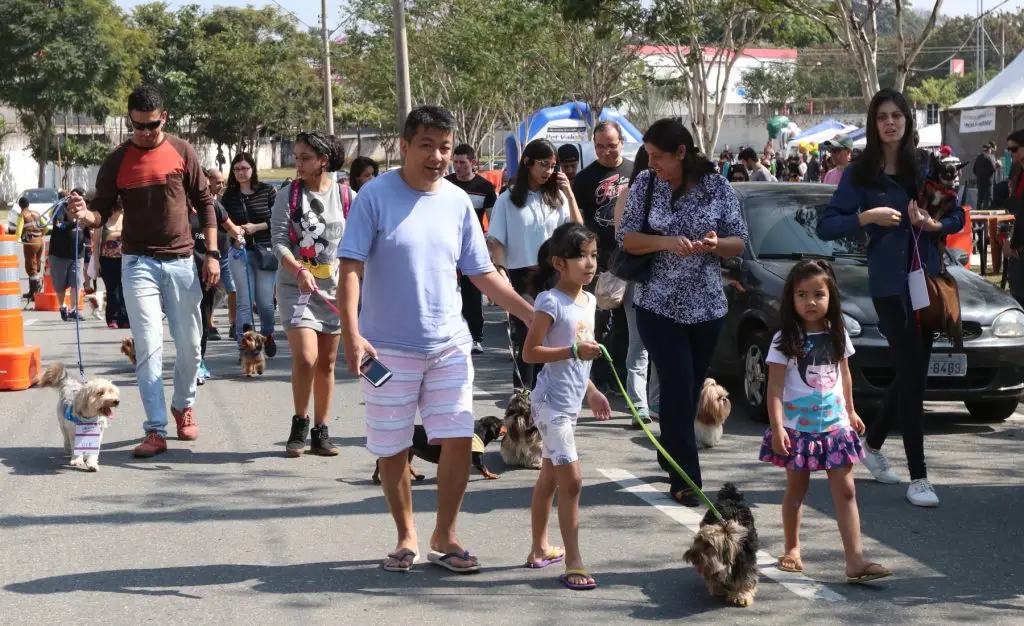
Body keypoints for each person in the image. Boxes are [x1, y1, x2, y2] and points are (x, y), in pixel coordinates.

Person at [338, 105, 534, 574]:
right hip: (386, 350)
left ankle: (445, 534)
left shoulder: (457, 202)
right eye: (426, 146)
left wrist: (533, 315)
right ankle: (405, 534)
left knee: (458, 439)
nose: (437, 156)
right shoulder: (374, 197)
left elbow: (481, 272)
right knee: (393, 446)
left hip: (448, 345)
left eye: (444, 147)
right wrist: (352, 334)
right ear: (404, 146)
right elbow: (350, 269)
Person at [817, 88, 964, 507]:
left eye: (896, 115)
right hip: (888, 285)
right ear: (873, 123)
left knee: (911, 371)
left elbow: (957, 214)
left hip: (927, 284)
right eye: (882, 116)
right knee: (914, 374)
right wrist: (867, 216)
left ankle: (873, 443)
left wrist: (934, 224)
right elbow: (827, 225)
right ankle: (919, 477)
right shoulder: (860, 173)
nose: (890, 123)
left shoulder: (925, 166)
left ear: (907, 120)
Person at [67, 84, 220, 458]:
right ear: (129, 121)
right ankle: (155, 429)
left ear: (163, 117)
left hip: (182, 260)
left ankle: (183, 405)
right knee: (148, 346)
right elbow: (102, 210)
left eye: (152, 125)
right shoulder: (117, 160)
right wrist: (85, 215)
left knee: (190, 346)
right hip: (138, 263)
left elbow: (205, 202)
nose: (146, 132)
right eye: (138, 126)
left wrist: (213, 254)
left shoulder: (182, 151)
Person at [617, 117, 747, 506]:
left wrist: (715, 244)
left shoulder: (717, 186)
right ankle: (686, 477)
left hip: (707, 308)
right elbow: (626, 238)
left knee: (689, 389)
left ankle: (670, 450)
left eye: (658, 156)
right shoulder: (645, 183)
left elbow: (739, 241)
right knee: (675, 384)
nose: (652, 163)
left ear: (681, 152)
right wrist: (666, 242)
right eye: (648, 155)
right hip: (656, 305)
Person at [760, 259, 892, 584]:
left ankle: (855, 560)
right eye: (802, 295)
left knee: (846, 491)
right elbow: (774, 387)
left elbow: (844, 375)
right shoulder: (783, 339)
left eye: (818, 294)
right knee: (796, 491)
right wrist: (777, 427)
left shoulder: (837, 334)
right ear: (791, 298)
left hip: (835, 428)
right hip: (797, 431)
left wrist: (851, 411)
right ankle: (792, 549)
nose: (810, 302)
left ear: (831, 296)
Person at [521, 222, 612, 590]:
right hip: (550, 405)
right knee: (571, 482)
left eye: (594, 255)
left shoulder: (590, 302)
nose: (590, 264)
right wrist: (573, 350)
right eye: (581, 257)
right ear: (559, 263)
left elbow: (580, 358)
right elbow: (531, 352)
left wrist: (591, 391)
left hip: (571, 404)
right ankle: (574, 561)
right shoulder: (550, 301)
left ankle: (539, 548)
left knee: (549, 477)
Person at [272, 131, 351, 457]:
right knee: (306, 357)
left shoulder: (346, 196)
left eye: (305, 157)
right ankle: (300, 422)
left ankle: (321, 430)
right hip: (296, 287)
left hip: (333, 289)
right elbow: (278, 242)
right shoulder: (288, 195)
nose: (298, 163)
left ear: (323, 160)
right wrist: (298, 270)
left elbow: (357, 243)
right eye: (297, 157)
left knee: (327, 363)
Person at [488, 138, 583, 389]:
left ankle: (550, 392)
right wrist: (500, 270)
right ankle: (524, 395)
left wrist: (570, 194)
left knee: (555, 336)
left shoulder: (557, 197)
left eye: (553, 166)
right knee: (527, 336)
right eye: (544, 164)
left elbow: (578, 233)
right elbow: (496, 241)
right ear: (528, 163)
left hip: (554, 275)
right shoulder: (507, 199)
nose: (548, 171)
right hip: (521, 276)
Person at [572, 121, 633, 394]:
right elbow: (577, 220)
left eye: (611, 145)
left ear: (622, 143)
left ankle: (618, 373)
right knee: (595, 319)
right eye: (600, 146)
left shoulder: (636, 173)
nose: (606, 151)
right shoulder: (585, 178)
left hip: (629, 257)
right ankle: (596, 374)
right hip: (597, 259)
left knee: (624, 322)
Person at [221, 152, 279, 358]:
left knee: (265, 303)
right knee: (244, 302)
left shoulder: (267, 191)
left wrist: (256, 227)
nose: (241, 173)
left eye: (245, 168)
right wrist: (235, 234)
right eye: (237, 169)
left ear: (252, 169)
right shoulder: (229, 195)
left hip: (265, 252)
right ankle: (245, 347)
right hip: (240, 251)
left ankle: (267, 334)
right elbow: (222, 221)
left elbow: (278, 220)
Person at [446, 143, 498, 354]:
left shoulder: (485, 187)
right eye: (455, 162)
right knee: (447, 291)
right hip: (447, 246)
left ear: (473, 163)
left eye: (462, 163)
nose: (458, 167)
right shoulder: (445, 184)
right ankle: (449, 336)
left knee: (472, 294)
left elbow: (493, 222)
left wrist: (491, 249)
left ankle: (475, 337)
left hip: (472, 247)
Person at [192, 190, 238, 384]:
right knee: (186, 322)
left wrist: (240, 238)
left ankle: (198, 362)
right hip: (181, 270)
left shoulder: (213, 205)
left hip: (208, 271)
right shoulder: (176, 204)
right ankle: (188, 361)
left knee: (202, 321)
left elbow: (232, 229)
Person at [204, 167, 237, 341]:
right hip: (208, 255)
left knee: (232, 289)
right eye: (218, 182)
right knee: (211, 291)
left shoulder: (224, 201)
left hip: (226, 253)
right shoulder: (201, 203)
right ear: (208, 181)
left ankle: (234, 324)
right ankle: (209, 325)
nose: (221, 186)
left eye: (223, 182)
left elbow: (231, 225)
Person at [48, 187, 88, 322]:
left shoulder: (84, 211)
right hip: (60, 254)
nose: (79, 201)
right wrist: (74, 223)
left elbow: (88, 227)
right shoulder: (61, 208)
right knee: (60, 284)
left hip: (78, 254)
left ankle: (74, 309)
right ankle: (63, 306)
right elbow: (58, 225)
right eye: (77, 198)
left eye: (82, 199)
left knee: (77, 282)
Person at [91, 201, 130, 328]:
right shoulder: (102, 223)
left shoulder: (126, 220)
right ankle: (112, 318)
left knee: (124, 289)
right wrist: (97, 263)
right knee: (112, 290)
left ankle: (125, 318)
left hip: (124, 259)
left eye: (116, 209)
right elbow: (96, 244)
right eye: (111, 210)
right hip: (107, 260)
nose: (113, 213)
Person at [999, 130, 1024, 303]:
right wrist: (1010, 239)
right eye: (1008, 149)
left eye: (1014, 149)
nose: (1010, 153)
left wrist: (1013, 243)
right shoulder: (1017, 172)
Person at [18, 197, 44, 303]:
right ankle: (32, 291)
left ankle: (35, 293)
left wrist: (18, 240)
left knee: (31, 267)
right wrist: (39, 236)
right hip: (40, 241)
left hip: (30, 242)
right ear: (28, 204)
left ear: (20, 205)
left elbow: (18, 231)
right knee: (36, 264)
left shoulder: (22, 215)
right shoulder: (36, 213)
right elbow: (45, 227)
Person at [973, 142, 998, 210]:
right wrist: (998, 165)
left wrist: (979, 176)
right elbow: (993, 169)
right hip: (988, 182)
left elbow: (974, 170)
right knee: (988, 198)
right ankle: (986, 212)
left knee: (980, 198)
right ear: (989, 149)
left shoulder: (978, 157)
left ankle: (978, 213)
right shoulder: (989, 157)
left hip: (979, 181)